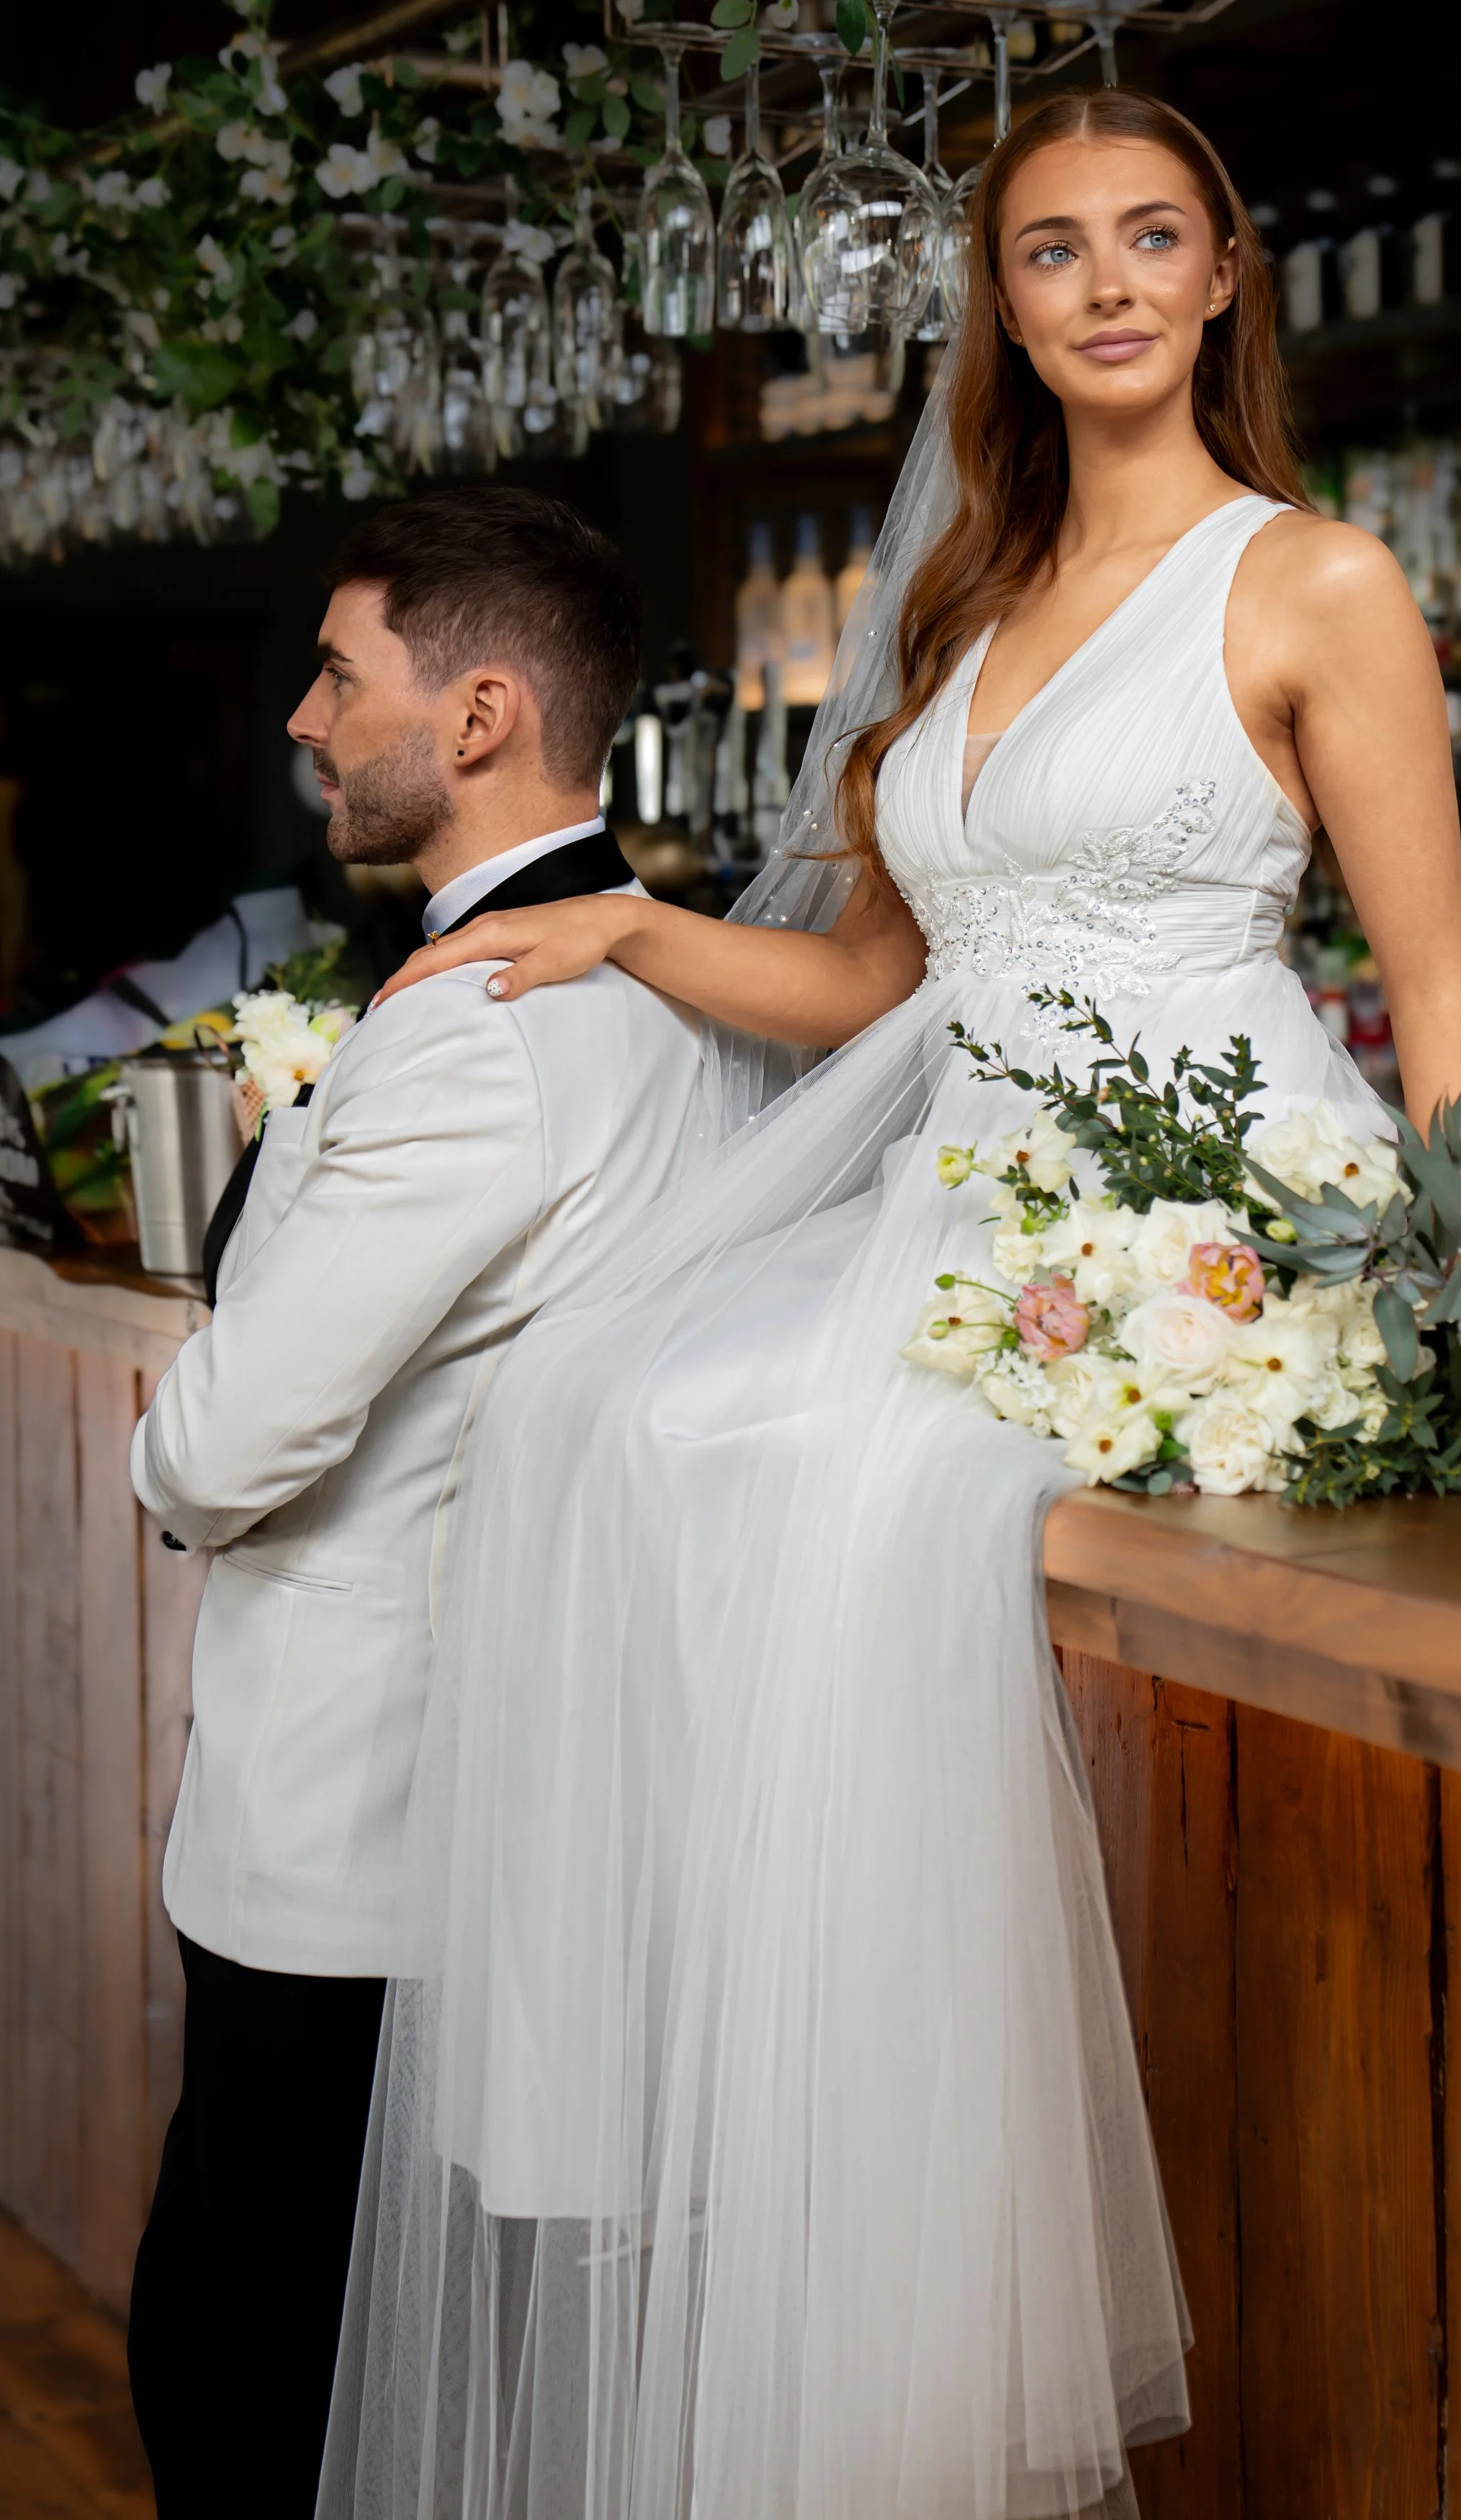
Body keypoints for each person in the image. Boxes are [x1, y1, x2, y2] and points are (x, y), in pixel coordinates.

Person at [322, 92, 1461, 2519]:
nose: (1099, 283)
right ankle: (695, 2123)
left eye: (1147, 239)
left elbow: (1441, 976)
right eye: (1049, 248)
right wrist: (634, 922)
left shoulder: (1313, 587)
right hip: (960, 1194)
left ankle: (887, 2233)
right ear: (1004, 299)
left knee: (841, 1491)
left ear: (1221, 279)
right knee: (596, 1415)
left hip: (1191, 1202)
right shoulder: (965, 598)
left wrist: (1455, 1292)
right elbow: (877, 969)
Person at [125, 491, 711, 2520]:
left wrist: (170, 1425)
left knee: (246, 2382)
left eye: (339, 675)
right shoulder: (671, 1000)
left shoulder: (476, 1035)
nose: (300, 715)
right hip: (520, 1825)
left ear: (475, 716)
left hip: (353, 1825)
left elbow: (213, 1450)